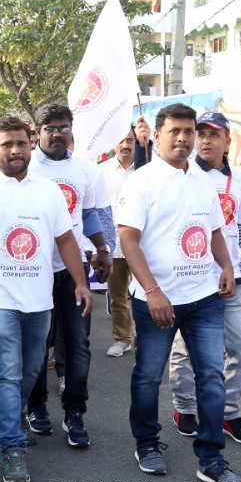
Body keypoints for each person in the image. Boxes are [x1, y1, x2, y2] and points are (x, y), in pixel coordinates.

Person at [0, 115, 90, 482]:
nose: (15, 150)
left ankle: (13, 420)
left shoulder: (47, 191)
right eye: (6, 144)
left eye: (21, 143)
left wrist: (80, 282)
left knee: (30, 372)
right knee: (7, 373)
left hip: (39, 301)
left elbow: (65, 240)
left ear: (31, 144)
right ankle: (12, 447)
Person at [117, 103, 241, 482]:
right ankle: (147, 442)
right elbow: (127, 239)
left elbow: (215, 231)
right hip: (157, 300)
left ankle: (211, 457)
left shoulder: (204, 180)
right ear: (157, 136)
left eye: (189, 131)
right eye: (176, 131)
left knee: (211, 377)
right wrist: (153, 292)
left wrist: (226, 267)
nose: (185, 138)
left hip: (204, 297)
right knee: (148, 376)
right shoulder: (142, 181)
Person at [168, 111, 241, 443]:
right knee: (186, 347)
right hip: (193, 276)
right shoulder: (184, 173)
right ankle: (184, 408)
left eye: (215, 135)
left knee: (237, 347)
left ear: (228, 141)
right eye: (203, 135)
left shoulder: (238, 181)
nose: (207, 140)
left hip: (232, 277)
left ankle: (230, 415)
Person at [24, 103, 112, 449]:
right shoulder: (26, 166)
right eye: (50, 128)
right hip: (32, 271)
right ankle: (36, 406)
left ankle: (75, 412)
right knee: (36, 344)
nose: (57, 134)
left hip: (74, 272)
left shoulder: (86, 170)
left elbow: (92, 214)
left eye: (63, 127)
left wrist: (103, 250)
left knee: (78, 345)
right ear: (38, 131)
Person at [100, 127, 136, 357]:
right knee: (118, 296)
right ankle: (122, 339)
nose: (126, 144)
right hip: (113, 243)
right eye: (122, 140)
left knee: (146, 293)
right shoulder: (101, 172)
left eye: (131, 140)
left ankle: (150, 340)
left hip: (142, 243)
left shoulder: (146, 170)